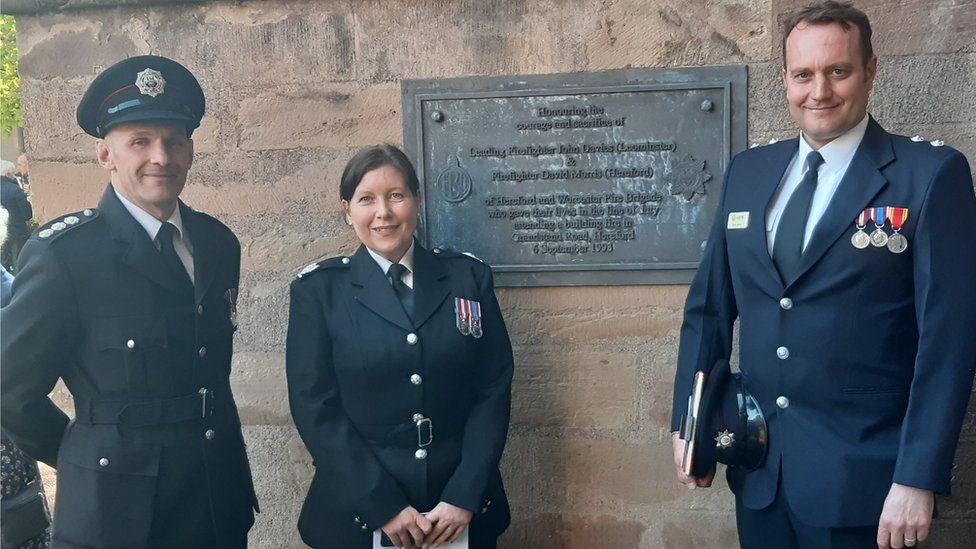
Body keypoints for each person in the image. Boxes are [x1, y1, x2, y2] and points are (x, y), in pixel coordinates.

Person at [670, 2, 976, 548]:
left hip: (868, 480)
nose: (820, 92)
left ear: (870, 71)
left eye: (838, 71)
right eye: (803, 75)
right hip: (761, 471)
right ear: (785, 79)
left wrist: (917, 476)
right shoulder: (750, 172)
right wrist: (689, 426)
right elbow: (711, 309)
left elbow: (948, 340)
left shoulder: (928, 175)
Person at [0, 55, 258, 548]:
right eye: (140, 140)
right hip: (117, 515)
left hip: (213, 500)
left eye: (174, 141)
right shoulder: (65, 257)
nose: (160, 156)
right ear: (106, 155)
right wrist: (87, 455)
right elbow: (10, 390)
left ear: (189, 152)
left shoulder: (217, 244)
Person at [287, 144, 514, 548]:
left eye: (396, 196)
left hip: (457, 507)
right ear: (347, 209)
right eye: (366, 199)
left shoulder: (467, 279)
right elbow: (314, 407)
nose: (383, 212)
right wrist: (381, 505)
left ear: (417, 200)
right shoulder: (319, 292)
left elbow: (492, 390)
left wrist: (464, 495)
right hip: (359, 511)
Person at [0, 160, 32, 271]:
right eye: (13, 174)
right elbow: (27, 214)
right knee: (18, 262)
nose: (14, 176)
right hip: (17, 232)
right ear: (8, 174)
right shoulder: (15, 190)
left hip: (1, 232)